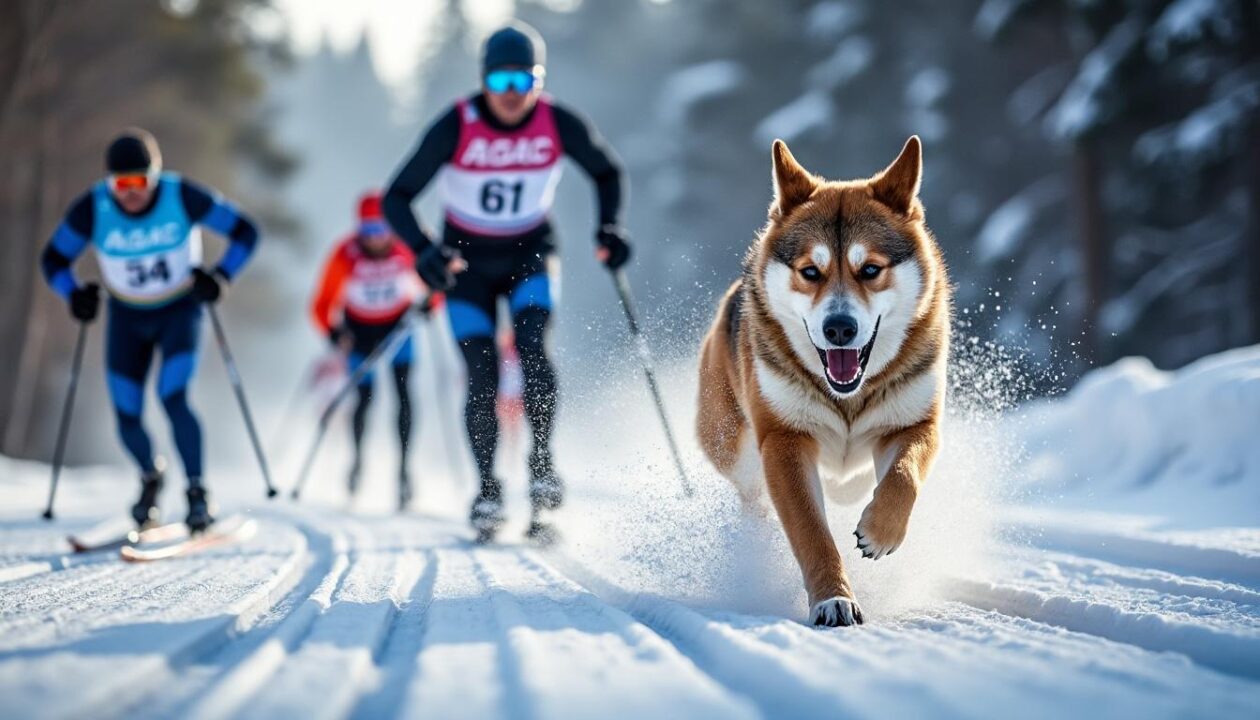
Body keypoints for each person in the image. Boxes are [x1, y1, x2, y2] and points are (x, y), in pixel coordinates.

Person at [383, 21, 631, 541]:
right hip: (463, 265)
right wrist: (425, 251)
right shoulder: (457, 123)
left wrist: (609, 228)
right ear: (483, 83)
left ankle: (541, 467)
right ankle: (489, 492)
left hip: (530, 253)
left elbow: (606, 171)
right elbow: (396, 197)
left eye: (524, 82)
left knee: (534, 349)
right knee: (482, 373)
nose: (513, 96)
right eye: (501, 84)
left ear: (539, 81)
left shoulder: (557, 121)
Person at [39, 128, 260, 532]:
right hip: (127, 318)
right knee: (127, 416)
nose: (130, 192)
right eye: (120, 183)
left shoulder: (183, 196)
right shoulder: (94, 207)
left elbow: (246, 231)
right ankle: (150, 477)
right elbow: (53, 260)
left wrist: (222, 276)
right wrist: (73, 294)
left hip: (181, 311)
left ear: (155, 176)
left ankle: (197, 493)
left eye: (139, 181)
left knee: (172, 397)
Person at [310, 192, 423, 510]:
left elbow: (435, 285)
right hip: (360, 333)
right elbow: (321, 304)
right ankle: (357, 463)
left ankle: (403, 472)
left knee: (404, 397)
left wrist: (428, 306)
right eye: (368, 231)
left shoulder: (406, 246)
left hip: (399, 330)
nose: (375, 239)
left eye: (381, 230)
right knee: (364, 400)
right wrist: (334, 334)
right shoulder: (345, 253)